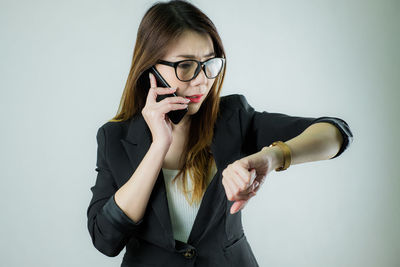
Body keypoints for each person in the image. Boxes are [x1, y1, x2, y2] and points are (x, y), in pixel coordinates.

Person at [86, 1, 353, 266]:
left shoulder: (233, 117)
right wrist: (158, 147)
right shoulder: (114, 137)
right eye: (186, 65)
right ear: (151, 69)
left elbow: (335, 133)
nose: (202, 79)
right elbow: (105, 241)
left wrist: (272, 157)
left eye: (209, 63)